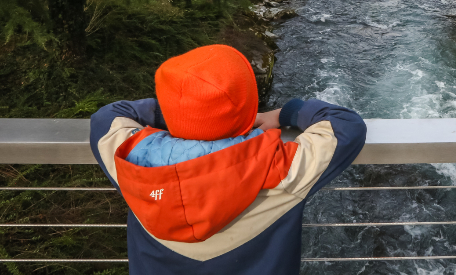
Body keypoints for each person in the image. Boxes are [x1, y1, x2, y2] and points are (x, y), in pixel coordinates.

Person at [90, 44, 366, 274]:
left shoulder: (127, 159)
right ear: (247, 111)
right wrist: (287, 113)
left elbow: (108, 116)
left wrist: (183, 111)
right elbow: (346, 125)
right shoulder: (282, 169)